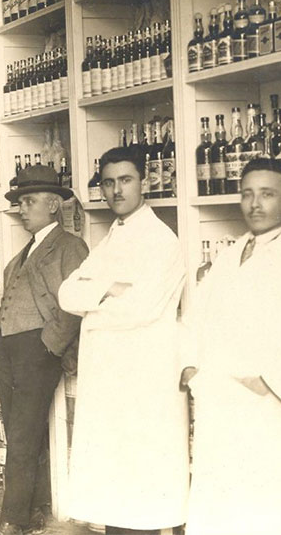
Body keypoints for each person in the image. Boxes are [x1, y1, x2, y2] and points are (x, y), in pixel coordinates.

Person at [181, 158, 281, 535]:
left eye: (267, 194)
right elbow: (194, 318)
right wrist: (190, 368)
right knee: (219, 509)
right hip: (218, 404)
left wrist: (268, 382)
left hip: (264, 408)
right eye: (247, 194)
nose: (255, 204)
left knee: (265, 510)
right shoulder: (229, 256)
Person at [58, 146, 189, 534]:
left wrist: (94, 301)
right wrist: (109, 289)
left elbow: (141, 309)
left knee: (143, 493)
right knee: (117, 496)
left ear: (144, 182)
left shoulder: (161, 240)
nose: (116, 190)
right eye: (109, 182)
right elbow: (66, 294)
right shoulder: (111, 238)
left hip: (143, 380)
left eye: (126, 180)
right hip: (110, 381)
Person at [0, 165, 88, 535]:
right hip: (9, 350)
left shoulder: (69, 247)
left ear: (53, 205)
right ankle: (34, 508)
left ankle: (12, 519)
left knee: (22, 435)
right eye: (20, 202)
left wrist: (51, 345)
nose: (22, 209)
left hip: (38, 349)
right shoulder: (27, 250)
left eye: (29, 201)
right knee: (22, 431)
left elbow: (75, 303)